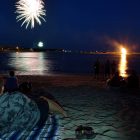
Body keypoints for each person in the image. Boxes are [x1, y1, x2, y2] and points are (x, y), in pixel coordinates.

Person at [0, 79, 67, 139]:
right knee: (43, 100)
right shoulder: (15, 96)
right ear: (2, 88)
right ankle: (63, 112)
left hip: (22, 119)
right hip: (36, 117)